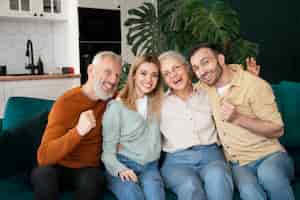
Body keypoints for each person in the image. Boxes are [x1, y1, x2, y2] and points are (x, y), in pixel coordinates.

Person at [189, 43, 295, 200]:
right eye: (196, 68)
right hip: (239, 162)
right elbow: (181, 89)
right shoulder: (204, 88)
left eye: (205, 62)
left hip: (270, 155)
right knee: (249, 191)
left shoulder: (253, 85)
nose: (202, 71)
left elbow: (277, 129)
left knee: (269, 175)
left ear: (220, 59)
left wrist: (238, 118)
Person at [31, 51, 122, 200]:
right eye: (108, 72)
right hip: (57, 166)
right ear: (91, 70)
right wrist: (79, 131)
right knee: (43, 175)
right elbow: (44, 156)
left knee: (94, 180)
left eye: (117, 75)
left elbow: (141, 97)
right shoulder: (65, 102)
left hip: (88, 170)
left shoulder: (115, 100)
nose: (113, 80)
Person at [158, 51, 233, 200]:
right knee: (189, 185)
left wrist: (253, 78)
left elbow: (234, 91)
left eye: (176, 68)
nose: (173, 75)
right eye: (166, 73)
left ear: (187, 68)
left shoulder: (208, 93)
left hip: (211, 156)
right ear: (164, 80)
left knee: (217, 176)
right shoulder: (158, 103)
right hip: (176, 162)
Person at [101, 55, 165, 200]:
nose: (149, 80)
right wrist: (121, 169)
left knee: (155, 196)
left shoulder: (159, 103)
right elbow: (107, 154)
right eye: (143, 73)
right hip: (122, 164)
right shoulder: (116, 108)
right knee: (132, 194)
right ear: (134, 75)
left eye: (154, 75)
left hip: (150, 167)